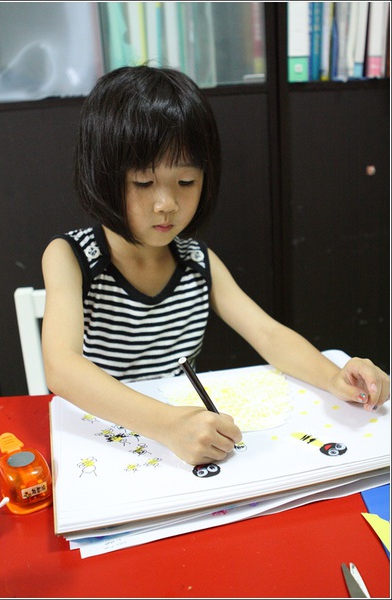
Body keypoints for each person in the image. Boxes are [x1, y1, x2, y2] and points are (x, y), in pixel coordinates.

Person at [42, 65, 390, 466]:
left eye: (186, 182)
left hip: (184, 439)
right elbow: (62, 368)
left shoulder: (196, 260)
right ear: (102, 176)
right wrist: (167, 424)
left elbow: (268, 335)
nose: (167, 204)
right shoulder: (70, 257)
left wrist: (333, 376)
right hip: (109, 438)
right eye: (143, 183)